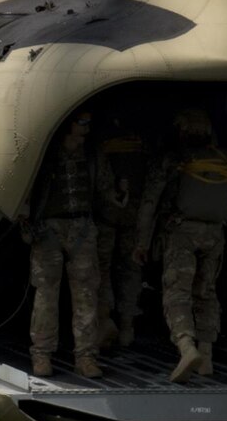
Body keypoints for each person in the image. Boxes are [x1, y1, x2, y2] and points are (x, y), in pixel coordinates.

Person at [134, 107, 227, 383]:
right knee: (206, 291)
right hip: (215, 234)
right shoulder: (223, 160)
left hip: (181, 232)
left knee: (176, 292)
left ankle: (186, 347)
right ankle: (206, 354)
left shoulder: (172, 160)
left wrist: (142, 242)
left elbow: (149, 203)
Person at [23, 111, 106, 379]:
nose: (86, 129)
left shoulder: (92, 155)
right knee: (46, 294)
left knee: (86, 295)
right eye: (81, 123)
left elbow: (104, 186)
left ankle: (86, 357)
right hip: (49, 229)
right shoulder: (46, 153)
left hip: (81, 228)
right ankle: (42, 354)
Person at [95, 118, 149, 349]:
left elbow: (100, 181)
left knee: (102, 268)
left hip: (107, 216)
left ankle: (104, 320)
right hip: (134, 215)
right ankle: (127, 327)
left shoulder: (104, 143)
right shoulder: (142, 145)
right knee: (131, 270)